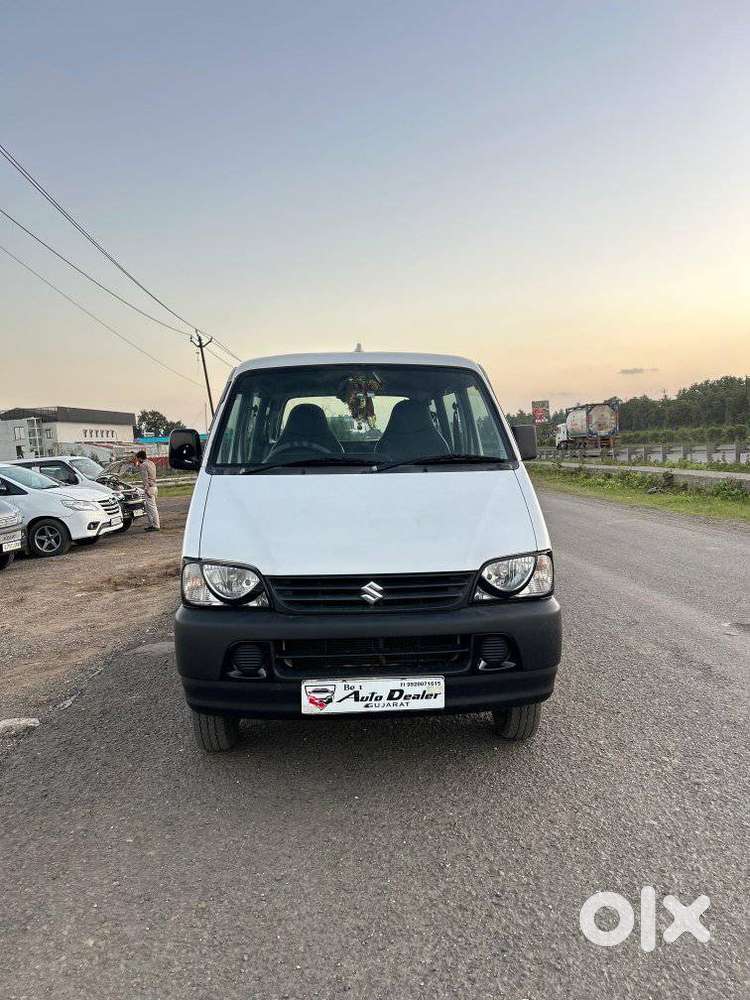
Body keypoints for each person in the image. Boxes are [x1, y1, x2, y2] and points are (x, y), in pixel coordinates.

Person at [132, 450, 160, 532]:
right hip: (154, 487)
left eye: (137, 458)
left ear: (140, 458)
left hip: (149, 488)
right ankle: (151, 524)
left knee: (152, 508)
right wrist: (136, 463)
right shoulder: (151, 463)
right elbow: (140, 467)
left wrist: (146, 490)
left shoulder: (143, 465)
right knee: (148, 508)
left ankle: (156, 525)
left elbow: (145, 479)